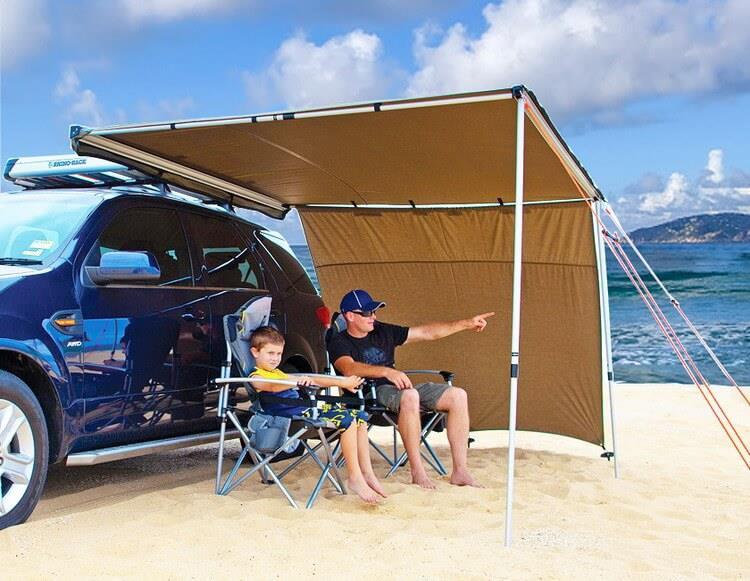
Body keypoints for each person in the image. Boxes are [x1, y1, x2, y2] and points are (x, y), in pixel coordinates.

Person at [328, 289, 494, 489]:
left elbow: (427, 332)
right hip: (369, 396)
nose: (373, 317)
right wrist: (386, 372)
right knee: (410, 396)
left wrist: (467, 323)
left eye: (374, 312)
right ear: (350, 316)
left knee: (457, 395)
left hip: (399, 390)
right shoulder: (339, 341)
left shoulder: (382, 330)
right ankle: (417, 471)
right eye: (367, 313)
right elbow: (348, 368)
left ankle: (461, 471)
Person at [249, 326, 386, 504]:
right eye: (270, 353)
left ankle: (367, 472)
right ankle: (354, 477)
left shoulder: (278, 373)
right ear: (255, 352)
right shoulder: (256, 376)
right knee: (347, 420)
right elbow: (273, 387)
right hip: (291, 419)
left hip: (303, 412)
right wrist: (296, 381)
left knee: (359, 416)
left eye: (279, 354)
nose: (275, 358)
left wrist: (343, 382)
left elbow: (314, 379)